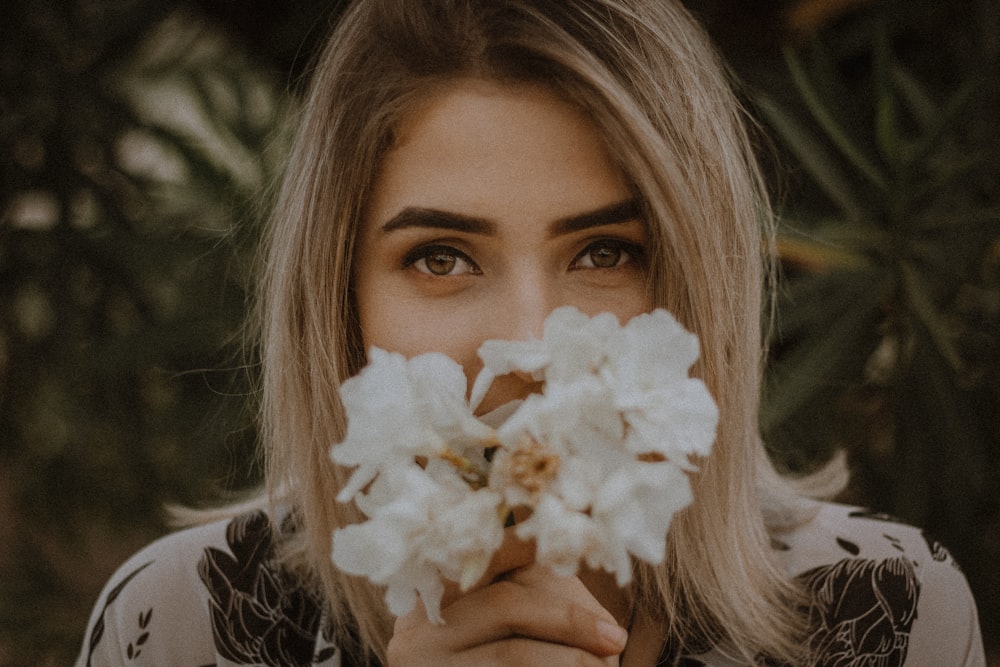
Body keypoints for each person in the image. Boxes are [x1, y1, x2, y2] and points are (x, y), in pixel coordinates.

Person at [76, 0, 986, 665]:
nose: (524, 346)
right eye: (441, 258)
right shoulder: (178, 626)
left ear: (696, 282)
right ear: (339, 302)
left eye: (602, 251)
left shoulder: (891, 616)